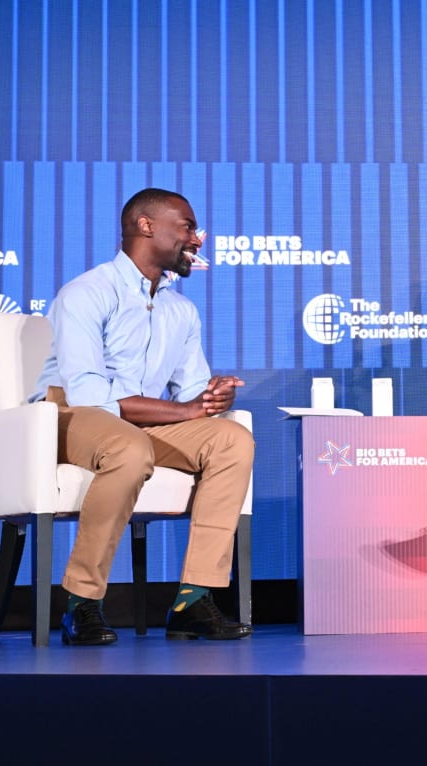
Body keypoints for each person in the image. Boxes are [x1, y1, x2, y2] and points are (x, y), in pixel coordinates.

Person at [32, 187, 256, 645]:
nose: (197, 239)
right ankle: (82, 603)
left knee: (232, 441)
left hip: (139, 425)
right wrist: (185, 409)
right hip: (70, 417)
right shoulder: (87, 292)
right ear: (146, 226)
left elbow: (190, 392)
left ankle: (192, 600)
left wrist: (213, 399)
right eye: (188, 228)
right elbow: (91, 394)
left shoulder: (181, 309)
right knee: (128, 448)